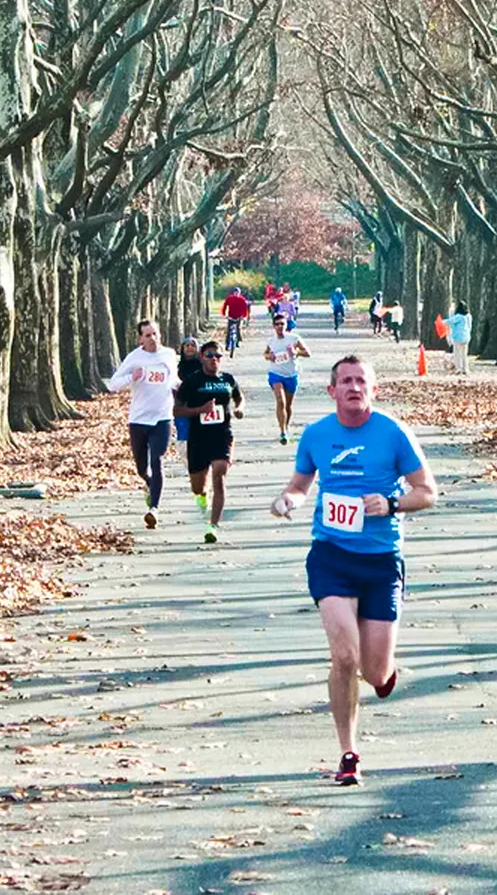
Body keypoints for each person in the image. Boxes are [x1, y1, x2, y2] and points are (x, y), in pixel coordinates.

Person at [271, 356, 439, 786]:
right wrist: (288, 500)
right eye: (345, 381)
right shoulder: (316, 434)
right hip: (332, 555)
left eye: (361, 381)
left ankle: (382, 673)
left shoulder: (393, 433)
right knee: (344, 656)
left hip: (381, 561)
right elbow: (300, 485)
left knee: (375, 672)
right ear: (331, 391)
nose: (353, 387)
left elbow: (428, 492)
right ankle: (348, 752)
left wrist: (393, 504)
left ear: (373, 389)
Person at [106, 319, 179, 529]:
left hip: (163, 417)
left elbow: (173, 379)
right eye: (147, 335)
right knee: (141, 468)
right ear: (140, 338)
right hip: (138, 419)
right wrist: (131, 376)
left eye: (155, 334)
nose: (153, 339)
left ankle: (154, 509)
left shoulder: (169, 355)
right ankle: (149, 484)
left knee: (157, 460)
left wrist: (184, 389)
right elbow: (112, 385)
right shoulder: (134, 358)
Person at [173, 340, 244, 543]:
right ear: (201, 358)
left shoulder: (228, 380)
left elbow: (239, 397)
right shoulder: (192, 382)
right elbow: (176, 410)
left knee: (219, 474)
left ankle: (213, 526)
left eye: (218, 356)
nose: (214, 359)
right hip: (198, 438)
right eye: (210, 355)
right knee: (198, 485)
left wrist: (239, 408)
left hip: (222, 435)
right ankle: (201, 495)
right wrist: (199, 411)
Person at [263, 313, 312, 444]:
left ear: (286, 325)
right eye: (277, 324)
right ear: (273, 326)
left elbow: (308, 353)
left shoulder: (294, 338)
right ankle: (282, 431)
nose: (280, 327)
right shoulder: (271, 341)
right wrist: (270, 356)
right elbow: (265, 354)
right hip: (275, 374)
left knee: (288, 405)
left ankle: (286, 425)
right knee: (281, 401)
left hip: (291, 374)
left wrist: (296, 352)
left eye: (282, 324)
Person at [174, 337, 203, 447]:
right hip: (181, 404)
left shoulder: (203, 365)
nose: (190, 348)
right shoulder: (177, 366)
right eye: (187, 346)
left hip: (200, 403)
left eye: (193, 345)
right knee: (183, 434)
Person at [221, 285, 252, 358]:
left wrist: (244, 317)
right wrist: (224, 314)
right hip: (231, 317)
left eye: (237, 293)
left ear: (239, 293)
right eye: (235, 292)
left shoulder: (242, 300)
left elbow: (245, 310)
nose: (236, 294)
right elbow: (224, 306)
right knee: (229, 331)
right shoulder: (229, 299)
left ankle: (238, 341)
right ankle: (227, 344)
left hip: (239, 317)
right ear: (233, 293)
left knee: (238, 329)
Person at [445, 302, 473, 375]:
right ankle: (465, 369)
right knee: (464, 354)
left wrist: (441, 322)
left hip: (458, 337)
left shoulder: (458, 317)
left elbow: (450, 321)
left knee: (457, 354)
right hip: (466, 337)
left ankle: (459, 369)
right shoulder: (469, 316)